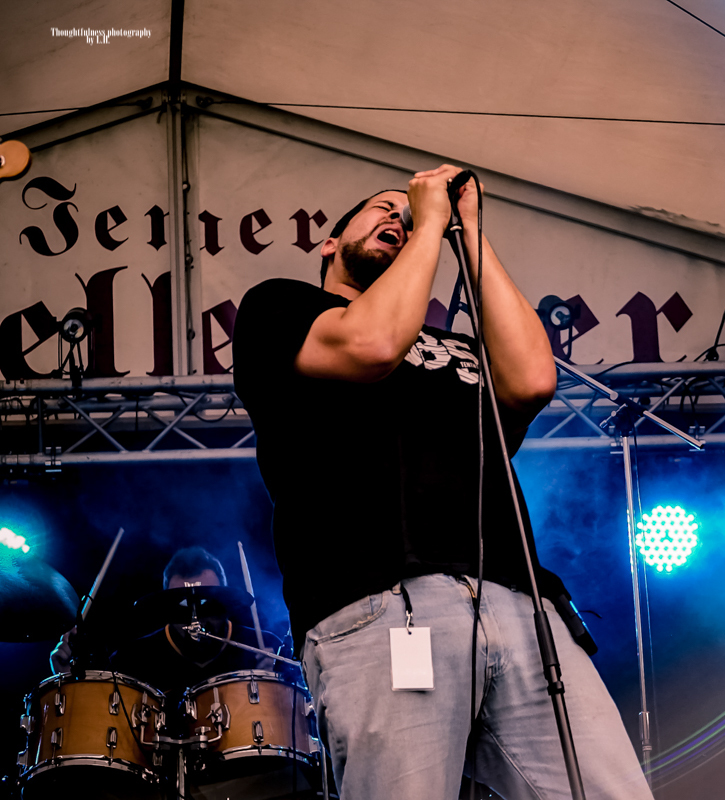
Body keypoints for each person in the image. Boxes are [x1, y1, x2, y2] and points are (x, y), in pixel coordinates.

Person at [232, 165, 653, 800]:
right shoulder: (281, 307)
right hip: (379, 602)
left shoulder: (453, 347)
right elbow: (373, 344)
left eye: (404, 212)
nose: (396, 216)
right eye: (381, 208)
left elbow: (533, 381)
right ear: (328, 242)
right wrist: (427, 219)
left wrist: (470, 231)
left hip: (518, 601)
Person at [49, 546, 277, 690]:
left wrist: (277, 682)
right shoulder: (132, 659)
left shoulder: (266, 648)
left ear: (225, 602)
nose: (195, 617)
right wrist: (67, 678)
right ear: (167, 607)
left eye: (206, 603)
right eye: (183, 605)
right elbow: (99, 719)